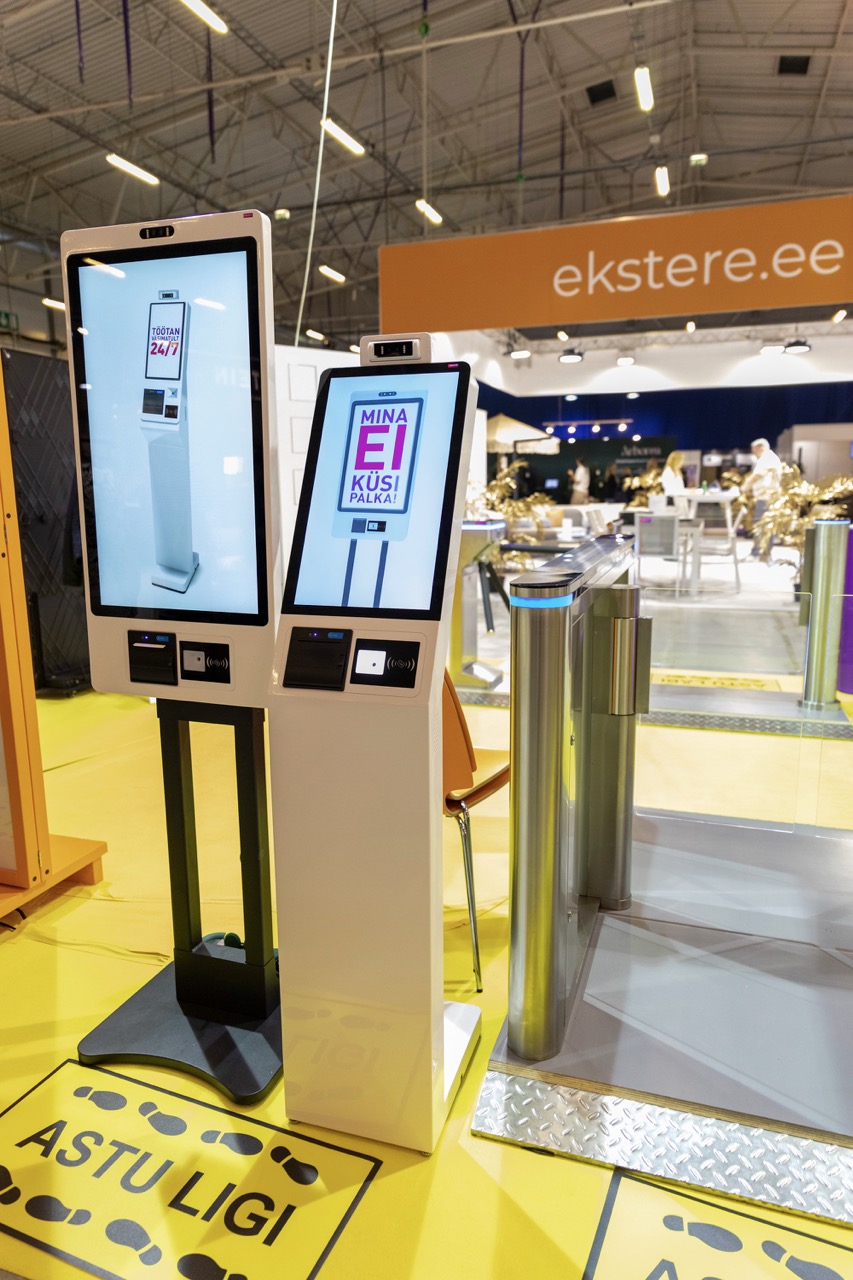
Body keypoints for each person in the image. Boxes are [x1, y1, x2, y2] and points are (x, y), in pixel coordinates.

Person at [742, 437, 782, 554]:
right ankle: (762, 551)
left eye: (754, 449)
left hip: (766, 498)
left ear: (760, 447)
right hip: (768, 497)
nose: (753, 452)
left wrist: (744, 487)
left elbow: (758, 475)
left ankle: (760, 552)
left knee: (762, 525)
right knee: (766, 524)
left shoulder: (767, 457)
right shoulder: (770, 457)